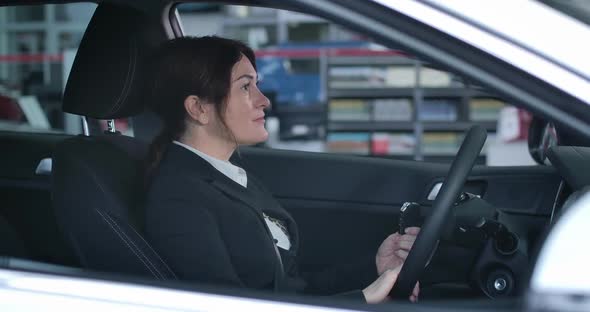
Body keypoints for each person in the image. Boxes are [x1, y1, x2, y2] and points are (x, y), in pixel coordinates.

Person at [143, 36, 420, 304]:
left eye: (257, 85)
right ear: (198, 108)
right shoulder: (180, 199)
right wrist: (362, 301)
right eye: (245, 87)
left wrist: (374, 269)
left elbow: (292, 288)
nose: (264, 100)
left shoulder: (231, 176)